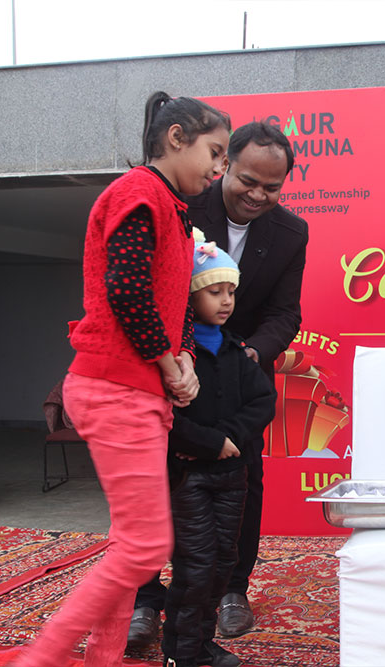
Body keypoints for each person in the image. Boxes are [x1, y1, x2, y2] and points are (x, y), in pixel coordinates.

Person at [14, 92, 230, 667]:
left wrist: (184, 359)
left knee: (130, 546)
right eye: (214, 152)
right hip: (115, 389)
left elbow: (175, 303)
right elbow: (127, 289)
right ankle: (40, 659)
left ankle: (100, 659)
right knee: (145, 547)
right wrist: (168, 362)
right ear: (176, 137)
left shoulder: (175, 213)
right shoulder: (138, 192)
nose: (219, 168)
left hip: (140, 392)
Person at [129, 121, 308, 645]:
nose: (257, 195)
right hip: (172, 370)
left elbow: (285, 313)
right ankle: (145, 599)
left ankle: (232, 590)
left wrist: (249, 356)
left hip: (238, 377)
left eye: (271, 187)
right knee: (152, 484)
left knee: (242, 485)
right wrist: (174, 359)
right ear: (225, 165)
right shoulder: (183, 205)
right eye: (247, 181)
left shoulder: (291, 232)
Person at [159, 235, 277, 667]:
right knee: (195, 565)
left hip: (232, 477)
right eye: (214, 292)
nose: (226, 301)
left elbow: (263, 401)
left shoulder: (235, 350)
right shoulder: (174, 358)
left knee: (223, 561)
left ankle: (201, 643)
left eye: (230, 291)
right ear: (189, 297)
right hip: (188, 478)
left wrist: (229, 437)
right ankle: (181, 653)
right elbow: (162, 416)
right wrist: (208, 443)